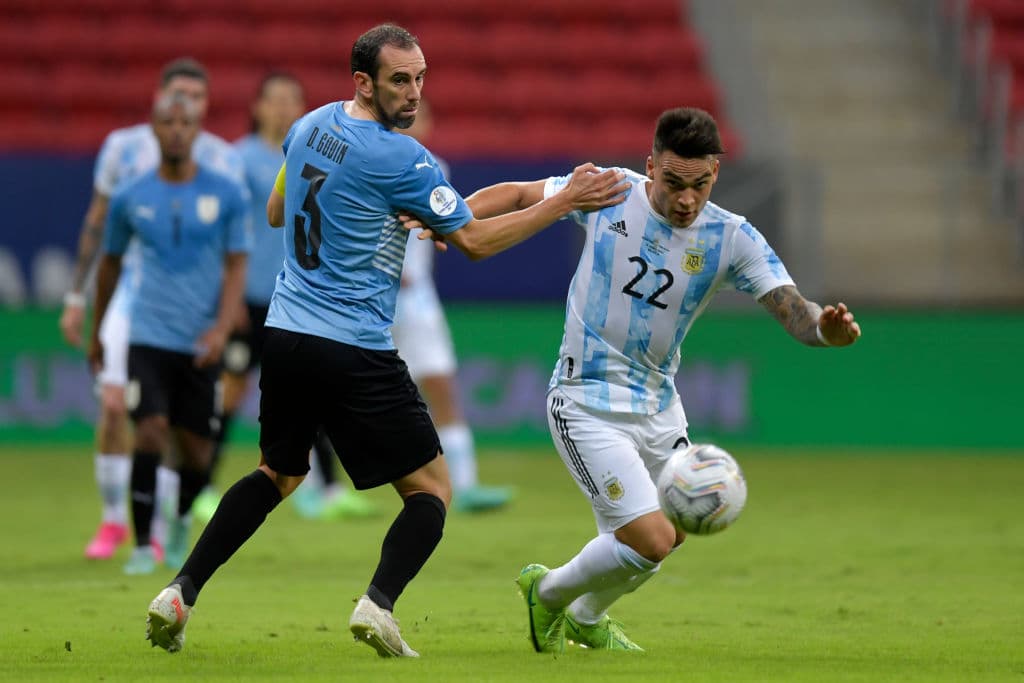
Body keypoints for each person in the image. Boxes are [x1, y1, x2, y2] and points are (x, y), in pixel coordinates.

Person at [142, 23, 628, 658]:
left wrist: (374, 210)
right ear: (364, 83)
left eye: (421, 78)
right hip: (353, 344)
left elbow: (276, 211)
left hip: (286, 333)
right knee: (431, 490)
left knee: (276, 473)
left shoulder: (309, 125)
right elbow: (474, 244)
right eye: (400, 79)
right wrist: (564, 203)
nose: (414, 92)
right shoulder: (405, 158)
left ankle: (179, 592)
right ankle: (378, 605)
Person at [431, 107, 862, 652]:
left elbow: (794, 310)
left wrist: (824, 331)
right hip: (585, 401)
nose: (686, 199)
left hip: (659, 407)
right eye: (674, 183)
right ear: (651, 166)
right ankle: (547, 593)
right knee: (651, 539)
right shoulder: (611, 192)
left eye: (699, 185)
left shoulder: (732, 237)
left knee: (677, 529)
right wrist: (450, 218)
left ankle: (584, 615)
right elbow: (519, 195)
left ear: (716, 173)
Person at [58, 58, 247, 562]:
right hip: (133, 298)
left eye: (196, 98)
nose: (185, 106)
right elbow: (97, 225)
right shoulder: (123, 149)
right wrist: (77, 299)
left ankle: (163, 525)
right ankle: (116, 521)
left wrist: (225, 314)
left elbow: (232, 248)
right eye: (178, 95)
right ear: (158, 99)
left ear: (204, 107)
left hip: (195, 306)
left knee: (183, 435)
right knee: (119, 407)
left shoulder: (222, 161)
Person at [393, 100, 513, 513]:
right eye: (407, 116)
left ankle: (465, 485)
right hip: (372, 298)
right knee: (340, 394)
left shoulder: (436, 169)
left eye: (421, 116)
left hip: (418, 300)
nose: (415, 123)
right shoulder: (371, 166)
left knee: (442, 386)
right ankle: (315, 483)